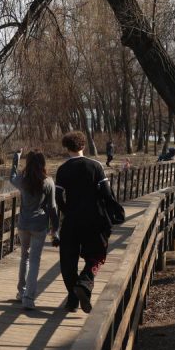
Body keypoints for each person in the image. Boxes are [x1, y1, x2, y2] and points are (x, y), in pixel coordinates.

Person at [55, 131, 122, 313]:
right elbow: (106, 193)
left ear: (67, 148)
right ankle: (84, 283)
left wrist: (67, 212)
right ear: (83, 145)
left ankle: (72, 300)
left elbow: (58, 197)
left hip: (72, 220)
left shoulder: (63, 169)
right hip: (94, 219)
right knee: (96, 254)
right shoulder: (95, 166)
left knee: (68, 260)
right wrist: (115, 212)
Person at [10, 148, 60, 310]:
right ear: (43, 163)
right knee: (34, 261)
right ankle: (29, 298)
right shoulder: (48, 182)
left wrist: (16, 158)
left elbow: (12, 178)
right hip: (39, 226)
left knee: (24, 257)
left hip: (23, 224)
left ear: (29, 163)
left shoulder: (23, 180)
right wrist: (55, 229)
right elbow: (52, 207)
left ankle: (21, 291)